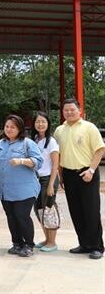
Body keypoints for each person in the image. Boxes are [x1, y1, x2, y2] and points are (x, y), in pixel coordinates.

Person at [53, 98, 105, 260]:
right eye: (66, 110)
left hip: (87, 173)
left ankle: (97, 246)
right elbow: (58, 155)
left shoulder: (89, 127)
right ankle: (84, 244)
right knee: (75, 211)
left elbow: (99, 150)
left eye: (72, 109)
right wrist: (61, 176)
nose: (69, 112)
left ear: (79, 110)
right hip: (68, 174)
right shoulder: (59, 130)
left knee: (91, 211)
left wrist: (91, 170)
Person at [0, 114, 43, 257]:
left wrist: (22, 161)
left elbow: (38, 162)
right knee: (11, 216)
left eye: (13, 127)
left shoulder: (27, 143)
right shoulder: (0, 144)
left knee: (22, 215)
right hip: (5, 189)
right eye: (7, 126)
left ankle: (28, 244)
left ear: (20, 128)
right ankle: (17, 243)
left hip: (25, 189)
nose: (9, 129)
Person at [31, 111, 60, 253]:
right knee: (38, 209)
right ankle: (46, 239)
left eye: (43, 121)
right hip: (36, 179)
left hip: (48, 179)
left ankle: (52, 242)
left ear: (48, 124)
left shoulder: (52, 141)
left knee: (48, 210)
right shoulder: (34, 139)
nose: (40, 124)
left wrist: (50, 185)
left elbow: (55, 164)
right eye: (37, 122)